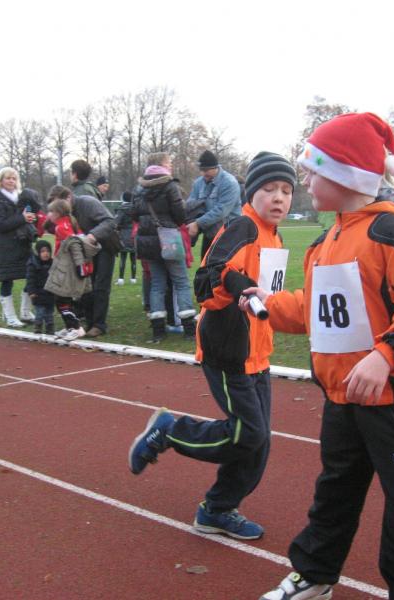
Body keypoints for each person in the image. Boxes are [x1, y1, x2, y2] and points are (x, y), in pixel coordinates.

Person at [251, 113, 394, 600]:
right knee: (334, 493)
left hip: (393, 404)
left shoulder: (393, 233)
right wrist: (268, 304)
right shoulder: (325, 242)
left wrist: (385, 356)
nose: (304, 181)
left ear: (346, 175)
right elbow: (318, 309)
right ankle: (315, 576)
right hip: (341, 397)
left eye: (313, 171)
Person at [128, 151, 298, 541]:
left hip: (257, 350)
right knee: (248, 434)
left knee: (258, 442)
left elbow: (266, 293)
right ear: (251, 193)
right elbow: (207, 279)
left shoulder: (274, 235)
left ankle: (217, 509)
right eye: (269, 189)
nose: (278, 197)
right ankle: (170, 431)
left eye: (286, 191)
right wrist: (236, 285)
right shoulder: (242, 227)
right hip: (228, 348)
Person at [130, 152, 197, 342]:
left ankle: (158, 331)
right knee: (181, 282)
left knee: (157, 284)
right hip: (168, 238)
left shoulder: (139, 188)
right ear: (161, 164)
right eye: (168, 162)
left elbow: (133, 214)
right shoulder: (170, 186)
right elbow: (180, 215)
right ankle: (189, 329)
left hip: (148, 241)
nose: (171, 165)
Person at [0, 167, 37, 328]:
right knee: (7, 280)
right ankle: (9, 316)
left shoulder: (21, 197)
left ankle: (25, 312)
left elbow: (24, 218)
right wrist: (22, 218)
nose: (11, 181)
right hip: (5, 245)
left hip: (23, 243)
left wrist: (31, 218)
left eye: (14, 178)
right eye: (8, 178)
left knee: (32, 275)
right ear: (0, 180)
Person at [69, 186, 120, 338]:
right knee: (87, 284)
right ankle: (89, 321)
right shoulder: (66, 212)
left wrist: (93, 235)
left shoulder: (88, 203)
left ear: (67, 198)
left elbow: (109, 221)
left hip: (105, 245)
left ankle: (99, 325)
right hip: (87, 249)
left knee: (101, 285)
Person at [44, 197, 89, 341]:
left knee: (61, 298)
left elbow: (74, 244)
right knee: (64, 298)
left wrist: (80, 265)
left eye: (51, 212)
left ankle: (76, 327)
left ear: (58, 213)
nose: (49, 214)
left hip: (66, 268)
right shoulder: (69, 223)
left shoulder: (62, 227)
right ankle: (70, 326)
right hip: (67, 266)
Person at [186, 150, 242, 259]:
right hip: (209, 233)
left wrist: (197, 223)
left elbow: (221, 210)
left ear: (215, 167)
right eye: (201, 170)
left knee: (223, 267)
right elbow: (191, 205)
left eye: (206, 170)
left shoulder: (229, 183)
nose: (203, 173)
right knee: (205, 266)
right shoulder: (199, 183)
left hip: (228, 234)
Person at [25, 239, 56, 336]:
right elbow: (30, 279)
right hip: (38, 293)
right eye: (43, 251)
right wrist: (31, 291)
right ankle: (38, 326)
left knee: (50, 312)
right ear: (38, 252)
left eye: (48, 251)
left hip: (50, 293)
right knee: (40, 312)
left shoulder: (52, 264)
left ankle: (50, 327)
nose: (46, 254)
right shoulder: (33, 265)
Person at [115, 191, 137, 285]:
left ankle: (121, 279)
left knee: (123, 258)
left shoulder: (121, 209)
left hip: (124, 235)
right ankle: (133, 279)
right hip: (134, 235)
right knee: (133, 258)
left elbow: (116, 223)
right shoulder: (136, 209)